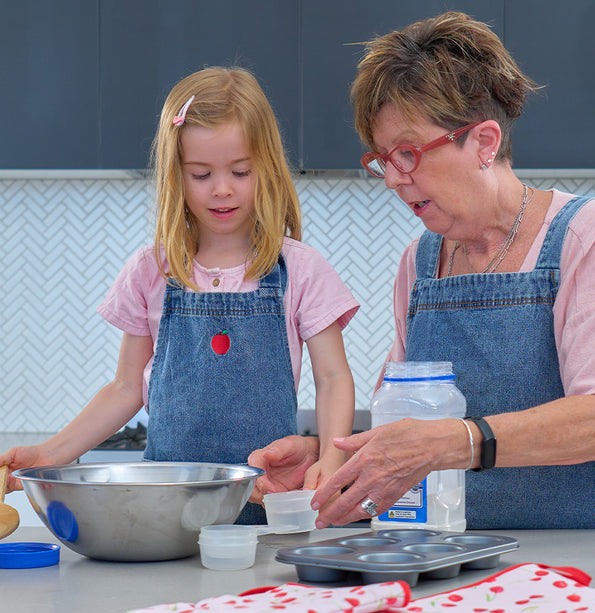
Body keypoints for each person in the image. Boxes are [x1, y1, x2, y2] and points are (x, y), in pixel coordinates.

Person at [248, 12, 595, 530]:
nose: (393, 181)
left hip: (587, 552)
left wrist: (456, 440)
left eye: (408, 153)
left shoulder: (582, 234)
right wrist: (325, 458)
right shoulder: (419, 265)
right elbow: (402, 426)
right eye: (382, 160)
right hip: (459, 556)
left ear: (485, 142)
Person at [2, 67, 358, 523]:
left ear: (266, 167)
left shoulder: (300, 270)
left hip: (265, 512)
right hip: (164, 513)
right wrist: (48, 454)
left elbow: (332, 378)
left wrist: (332, 456)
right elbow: (126, 387)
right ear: (176, 175)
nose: (222, 188)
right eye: (201, 173)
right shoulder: (152, 270)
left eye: (240, 171)